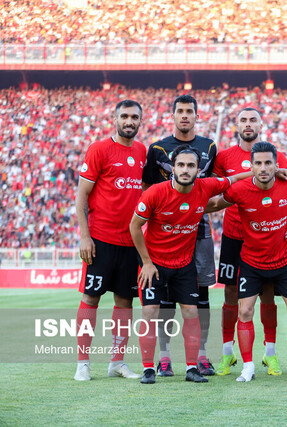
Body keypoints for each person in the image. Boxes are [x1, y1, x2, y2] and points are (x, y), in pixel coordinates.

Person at [206, 142, 287, 382]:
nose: (263, 167)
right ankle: (248, 367)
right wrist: (178, 206)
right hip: (251, 261)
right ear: (252, 166)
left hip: (284, 260)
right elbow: (215, 204)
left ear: (277, 165)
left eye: (268, 163)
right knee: (245, 311)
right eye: (258, 163)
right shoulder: (239, 189)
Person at [130, 144, 252, 384]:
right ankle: (147, 369)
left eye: (191, 166)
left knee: (191, 313)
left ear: (198, 170)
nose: (185, 170)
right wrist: (146, 262)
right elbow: (134, 226)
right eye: (181, 165)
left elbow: (234, 178)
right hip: (154, 264)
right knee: (149, 312)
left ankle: (190, 368)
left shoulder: (206, 186)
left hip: (184, 264)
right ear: (172, 168)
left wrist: (265, 172)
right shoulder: (155, 192)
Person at [141, 94, 217, 377]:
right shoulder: (158, 148)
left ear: (197, 116)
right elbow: (147, 188)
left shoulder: (208, 146)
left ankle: (200, 355)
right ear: (172, 115)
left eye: (190, 112)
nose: (185, 116)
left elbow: (213, 186)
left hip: (199, 230)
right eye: (180, 111)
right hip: (166, 232)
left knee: (200, 296)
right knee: (165, 299)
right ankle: (163, 357)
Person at [212, 107, 287, 376]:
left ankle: (270, 355)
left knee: (267, 295)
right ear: (237, 124)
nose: (248, 124)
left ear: (260, 123)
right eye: (243, 120)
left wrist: (286, 228)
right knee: (231, 295)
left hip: (265, 238)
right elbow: (217, 189)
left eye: (252, 120)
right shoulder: (224, 157)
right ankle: (227, 354)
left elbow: (283, 193)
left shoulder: (272, 156)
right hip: (234, 235)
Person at [74, 99, 146, 381]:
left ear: (140, 121)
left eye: (134, 117)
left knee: (125, 302)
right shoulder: (99, 149)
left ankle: (117, 362)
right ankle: (82, 363)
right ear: (115, 119)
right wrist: (85, 235)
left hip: (130, 242)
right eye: (125, 116)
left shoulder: (142, 151)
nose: (130, 121)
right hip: (100, 240)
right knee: (91, 298)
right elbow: (81, 195)